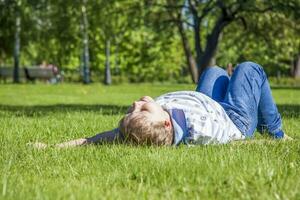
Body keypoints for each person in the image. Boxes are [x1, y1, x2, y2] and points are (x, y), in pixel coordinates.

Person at [32, 61, 291, 149]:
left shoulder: (147, 127)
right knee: (249, 69)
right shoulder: (198, 132)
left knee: (214, 71)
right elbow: (233, 143)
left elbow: (93, 140)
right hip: (234, 120)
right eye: (142, 109)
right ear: (166, 122)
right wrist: (264, 141)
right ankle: (277, 133)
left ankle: (225, 77)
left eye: (132, 110)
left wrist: (52, 147)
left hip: (208, 104)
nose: (135, 103)